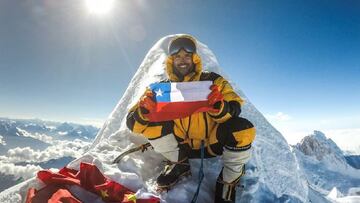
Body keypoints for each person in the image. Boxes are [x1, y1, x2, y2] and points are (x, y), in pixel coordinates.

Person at [126, 34, 256, 202]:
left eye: (187, 55)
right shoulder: (161, 89)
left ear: (194, 58)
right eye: (178, 56)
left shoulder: (212, 81)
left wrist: (220, 107)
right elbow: (133, 123)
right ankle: (179, 163)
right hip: (181, 145)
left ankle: (228, 180)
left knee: (243, 130)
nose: (183, 60)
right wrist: (144, 111)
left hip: (211, 144)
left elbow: (235, 107)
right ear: (171, 60)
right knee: (150, 122)